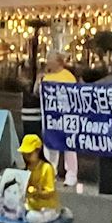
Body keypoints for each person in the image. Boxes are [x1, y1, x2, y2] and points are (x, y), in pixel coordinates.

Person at [37, 53, 79, 187]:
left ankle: (71, 175)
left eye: (50, 60)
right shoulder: (46, 77)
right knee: (50, 145)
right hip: (51, 118)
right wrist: (38, 81)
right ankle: (50, 172)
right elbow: (38, 94)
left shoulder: (68, 77)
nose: (47, 63)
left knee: (69, 146)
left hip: (66, 117)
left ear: (58, 62)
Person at [19, 134, 71, 223]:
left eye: (29, 154)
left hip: (46, 207)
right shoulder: (28, 168)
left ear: (38, 151)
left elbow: (50, 191)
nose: (26, 156)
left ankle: (57, 215)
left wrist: (38, 192)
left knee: (31, 218)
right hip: (31, 204)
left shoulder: (47, 168)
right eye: (24, 154)